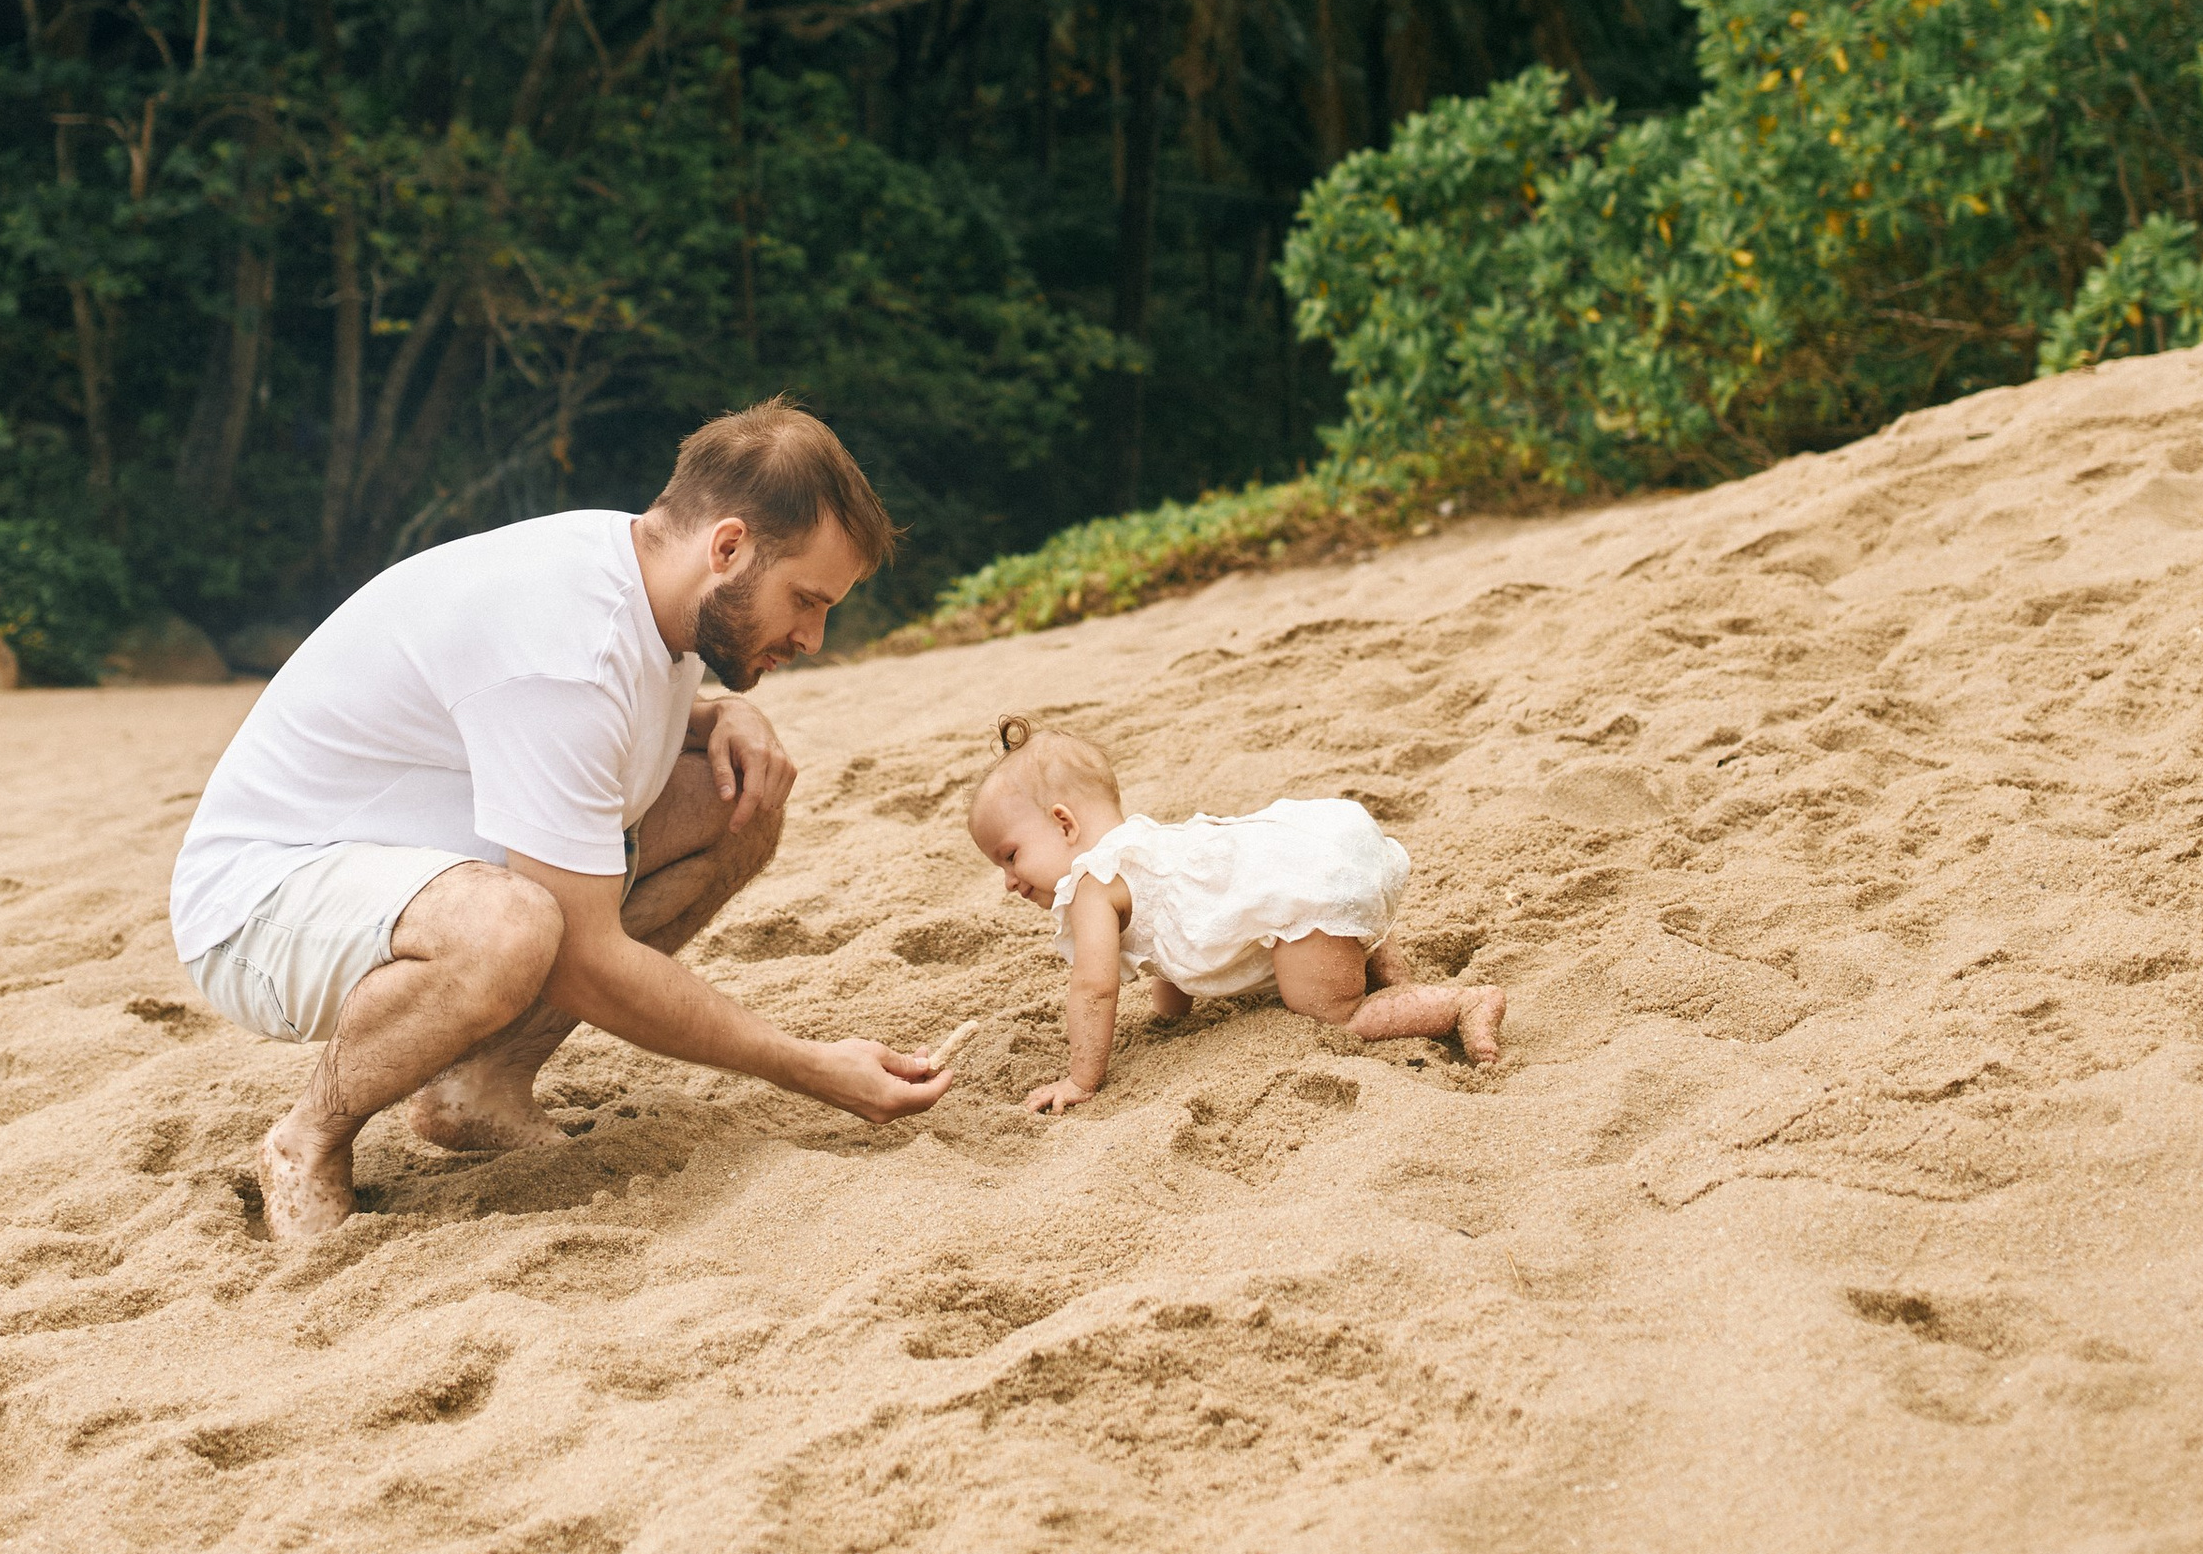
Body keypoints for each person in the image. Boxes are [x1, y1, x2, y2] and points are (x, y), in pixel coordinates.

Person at [168, 398, 950, 1244]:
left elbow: (595, 713)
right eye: (805, 600)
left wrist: (720, 715)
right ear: (727, 548)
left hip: (395, 863)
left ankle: (480, 1088)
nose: (814, 637)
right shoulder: (561, 645)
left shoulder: (642, 576)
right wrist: (807, 1065)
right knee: (514, 929)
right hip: (258, 906)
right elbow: (585, 959)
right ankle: (308, 1139)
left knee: (735, 802)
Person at [968, 714, 1506, 1113]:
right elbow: (1169, 937)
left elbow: (1094, 989)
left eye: (1010, 856)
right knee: (1331, 926)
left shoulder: (1093, 886)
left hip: (1304, 901)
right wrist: (1171, 1016)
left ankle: (1460, 1004)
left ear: (1064, 824)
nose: (1010, 881)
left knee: (1335, 1012)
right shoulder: (1143, 849)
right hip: (1319, 871)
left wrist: (1081, 1080)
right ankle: (1390, 972)